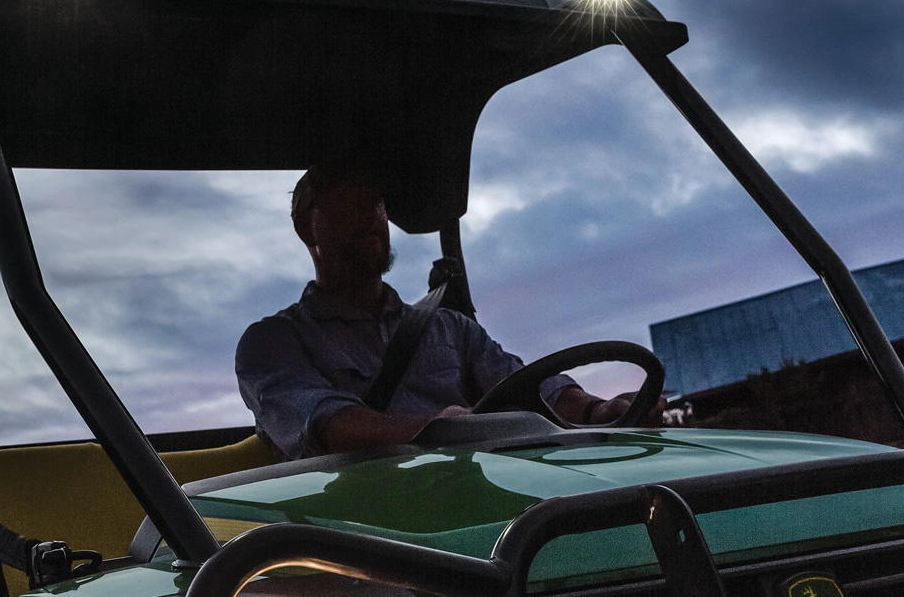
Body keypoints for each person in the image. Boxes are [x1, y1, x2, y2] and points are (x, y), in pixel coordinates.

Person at [236, 161, 645, 459]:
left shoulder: (449, 328)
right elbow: (325, 426)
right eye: (350, 200)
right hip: (355, 538)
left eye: (376, 200)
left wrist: (597, 409)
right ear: (308, 227)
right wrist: (441, 431)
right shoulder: (272, 343)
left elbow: (522, 385)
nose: (372, 212)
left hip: (482, 506)